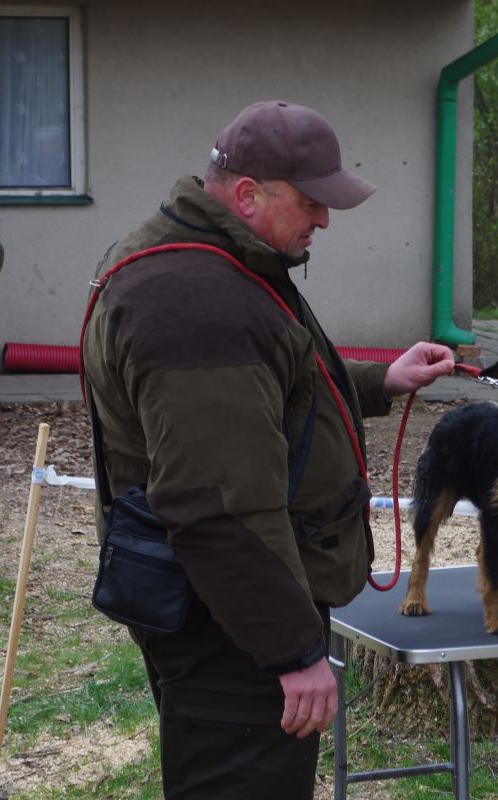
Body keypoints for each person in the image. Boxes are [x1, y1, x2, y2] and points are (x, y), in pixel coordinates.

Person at [80, 100, 455, 799]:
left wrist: (380, 381)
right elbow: (219, 504)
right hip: (228, 621)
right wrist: (290, 651)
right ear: (248, 194)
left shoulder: (218, 258)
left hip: (232, 607)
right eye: (312, 202)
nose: (324, 220)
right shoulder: (197, 300)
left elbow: (263, 393)